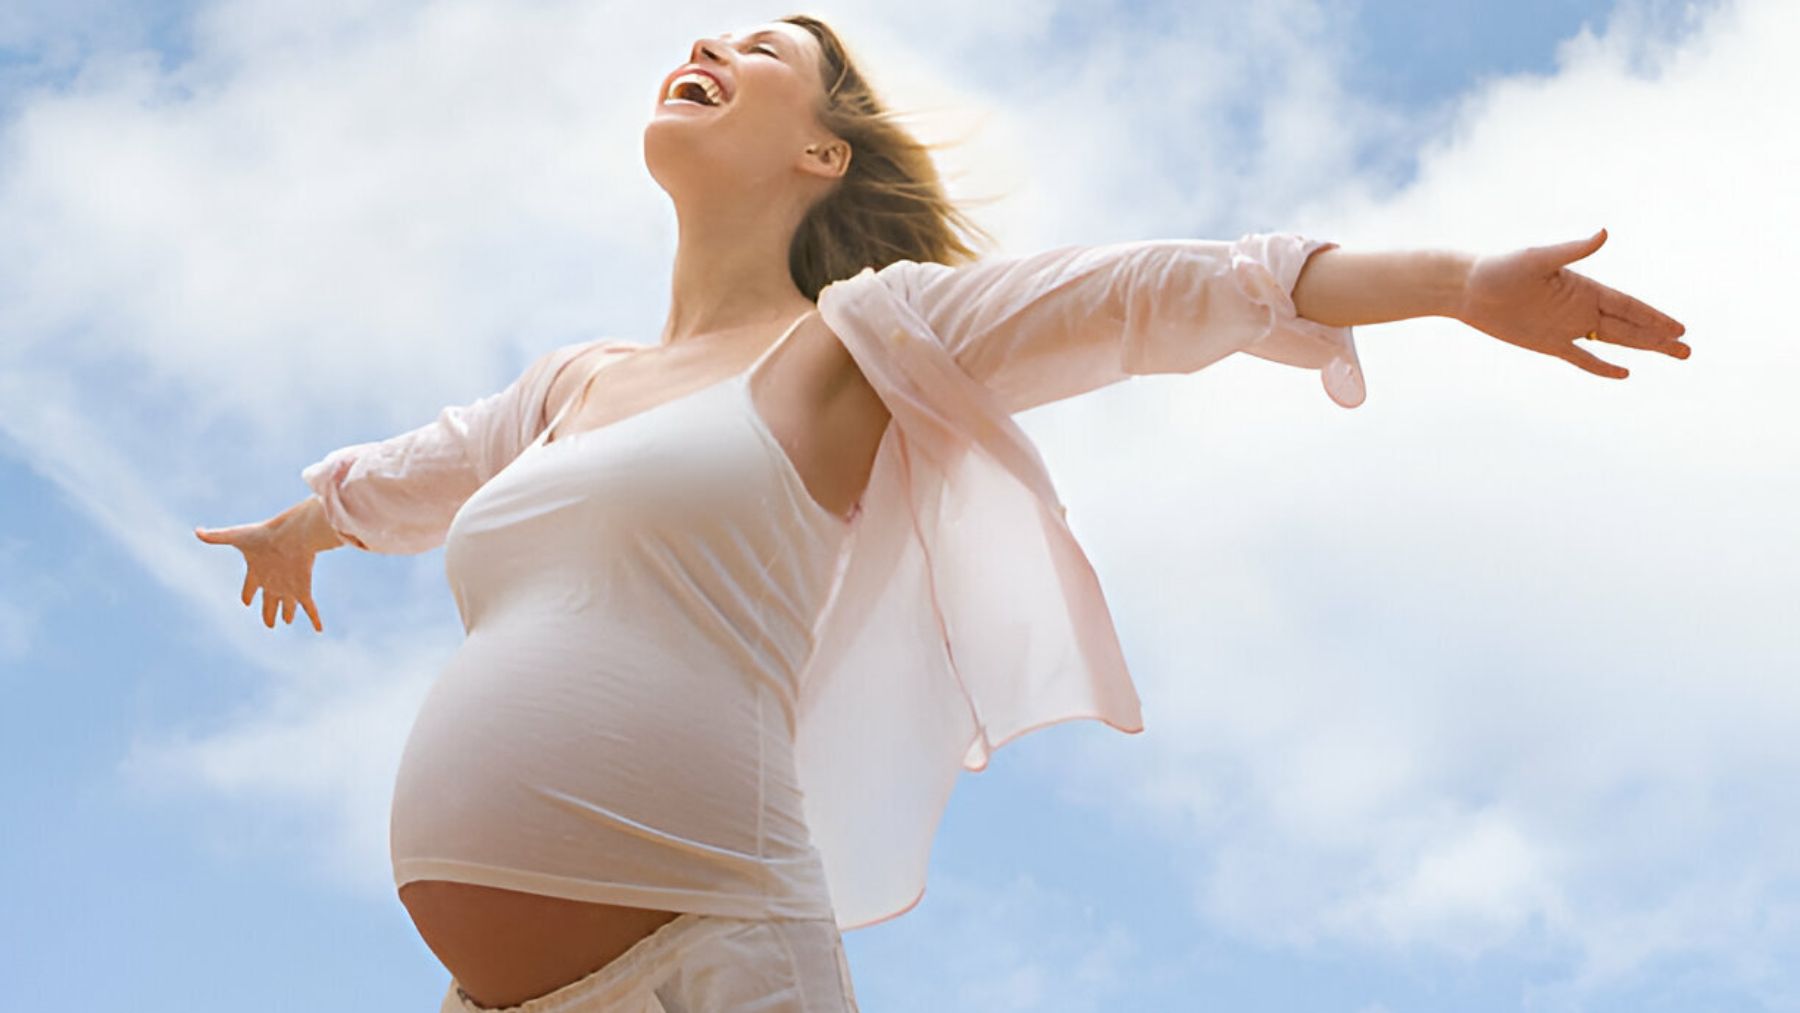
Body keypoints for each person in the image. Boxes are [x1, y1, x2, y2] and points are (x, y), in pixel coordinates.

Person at [192, 13, 1689, 1013]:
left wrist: (1448, 282)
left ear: (820, 155)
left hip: (712, 962)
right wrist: (303, 527)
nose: (708, 39)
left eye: (763, 47)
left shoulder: (860, 337)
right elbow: (416, 470)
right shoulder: (572, 384)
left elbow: (1157, 290)